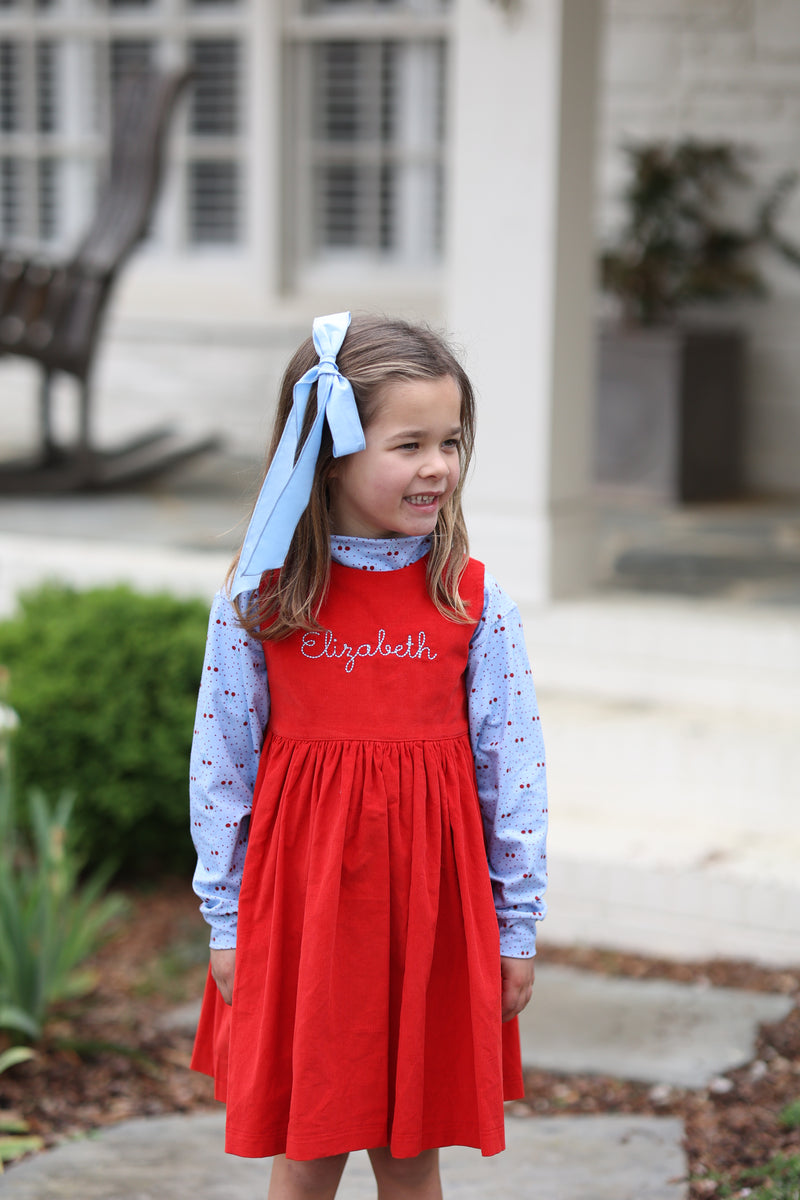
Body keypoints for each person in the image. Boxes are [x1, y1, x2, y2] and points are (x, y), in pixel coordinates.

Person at [189, 312, 548, 1200]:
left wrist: (516, 924)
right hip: (302, 914)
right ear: (332, 452)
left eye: (452, 441)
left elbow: (515, 772)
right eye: (410, 443)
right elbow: (221, 765)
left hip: (429, 914)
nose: (438, 466)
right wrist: (225, 919)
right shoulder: (262, 598)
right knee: (306, 1147)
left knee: (410, 1150)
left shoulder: (473, 599)